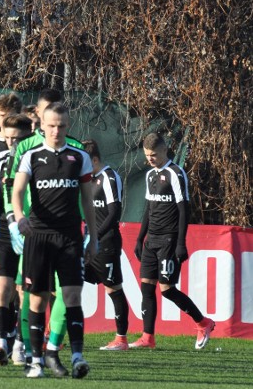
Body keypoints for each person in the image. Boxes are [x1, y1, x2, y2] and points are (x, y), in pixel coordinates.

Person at [11, 102, 97, 379]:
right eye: (51, 125)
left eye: (61, 126)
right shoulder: (31, 156)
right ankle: (35, 361)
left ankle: (77, 357)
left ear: (66, 126)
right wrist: (19, 216)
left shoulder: (79, 157)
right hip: (38, 236)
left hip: (70, 236)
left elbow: (87, 199)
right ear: (42, 125)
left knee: (72, 296)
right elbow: (17, 191)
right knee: (36, 300)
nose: (56, 130)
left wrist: (93, 238)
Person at [128, 133, 216, 349]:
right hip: (152, 240)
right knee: (147, 287)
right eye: (147, 155)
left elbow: (183, 208)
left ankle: (203, 322)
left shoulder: (176, 173)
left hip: (168, 239)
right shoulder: (150, 176)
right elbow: (149, 209)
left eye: (154, 155)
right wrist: (140, 238)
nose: (150, 159)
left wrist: (180, 242)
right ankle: (148, 338)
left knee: (167, 290)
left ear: (164, 150)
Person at [0, 114, 33, 364]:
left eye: (17, 138)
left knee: (25, 292)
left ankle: (20, 343)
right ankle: (0, 340)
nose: (11, 143)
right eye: (8, 138)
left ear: (29, 134)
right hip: (6, 228)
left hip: (31, 230)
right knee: (2, 288)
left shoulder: (37, 157)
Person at [81, 140, 132, 351]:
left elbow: (114, 214)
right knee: (65, 284)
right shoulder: (87, 180)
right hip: (87, 242)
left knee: (113, 288)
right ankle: (52, 333)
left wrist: (95, 236)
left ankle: (121, 339)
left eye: (84, 163)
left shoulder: (110, 178)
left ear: (94, 160)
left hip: (106, 243)